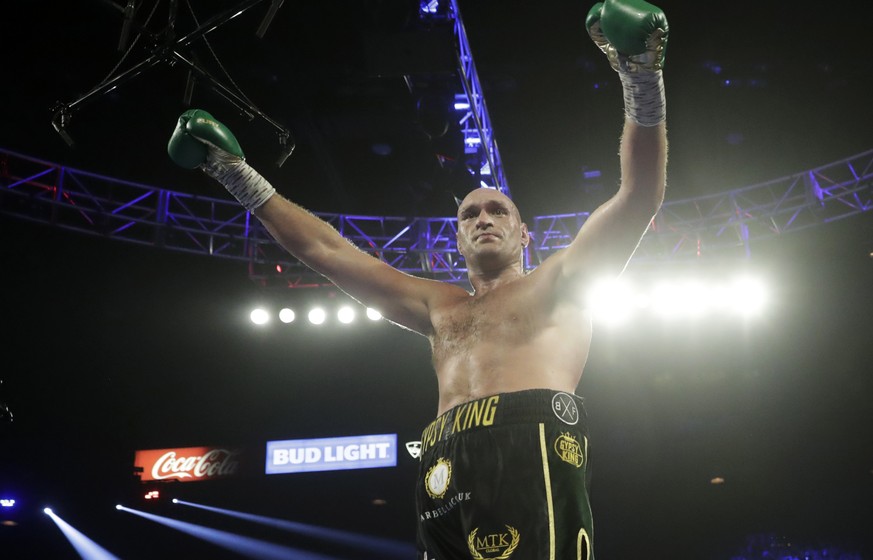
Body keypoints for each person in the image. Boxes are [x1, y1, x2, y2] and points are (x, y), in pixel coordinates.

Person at [167, 0, 668, 557]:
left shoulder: (561, 279)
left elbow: (638, 196)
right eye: (470, 214)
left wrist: (640, 76)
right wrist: (234, 173)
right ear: (456, 238)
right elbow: (326, 251)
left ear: (525, 235)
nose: (483, 218)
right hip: (441, 461)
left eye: (498, 211)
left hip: (529, 440)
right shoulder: (439, 305)